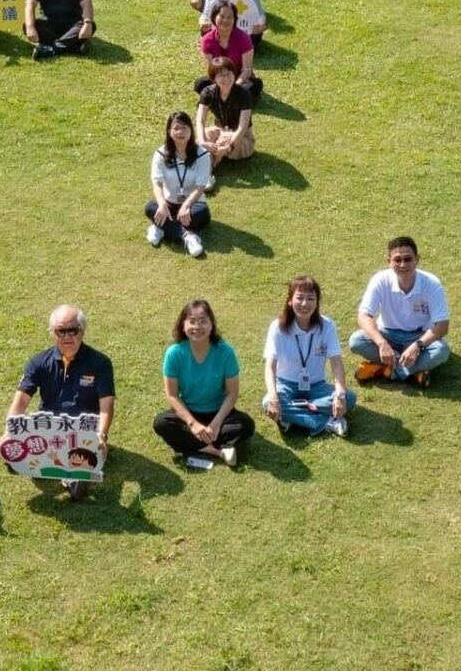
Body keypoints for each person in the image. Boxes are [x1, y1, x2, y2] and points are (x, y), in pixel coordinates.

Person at [0, 304, 117, 501]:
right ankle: (66, 472)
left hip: (83, 431)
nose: (67, 336)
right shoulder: (38, 362)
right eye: (61, 331)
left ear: (82, 331)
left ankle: (75, 474)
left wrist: (101, 435)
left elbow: (106, 406)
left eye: (73, 330)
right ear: (53, 333)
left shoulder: (100, 363)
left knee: (87, 450)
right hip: (49, 429)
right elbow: (20, 402)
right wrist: (6, 434)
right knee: (11, 447)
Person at [154, 299, 253, 467]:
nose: (197, 327)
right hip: (189, 413)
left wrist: (216, 424)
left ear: (211, 325)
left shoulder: (225, 351)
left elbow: (232, 393)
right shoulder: (174, 353)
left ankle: (193, 445)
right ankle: (217, 450)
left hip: (219, 413)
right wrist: (192, 424)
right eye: (192, 321)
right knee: (162, 423)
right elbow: (172, 395)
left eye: (203, 321)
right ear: (183, 326)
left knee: (246, 424)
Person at [349, 236, 451, 385]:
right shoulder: (380, 280)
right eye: (397, 260)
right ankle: (415, 372)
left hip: (419, 337)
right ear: (388, 262)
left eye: (408, 259)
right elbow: (363, 316)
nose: (403, 264)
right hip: (387, 334)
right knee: (356, 341)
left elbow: (442, 326)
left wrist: (417, 345)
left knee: (441, 351)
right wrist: (382, 343)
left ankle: (386, 370)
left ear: (417, 259)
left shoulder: (432, 284)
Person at [262, 277, 354, 437]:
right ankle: (326, 422)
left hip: (316, 386)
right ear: (290, 301)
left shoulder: (327, 326)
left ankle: (290, 416)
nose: (305, 304)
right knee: (267, 402)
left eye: (311, 298)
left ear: (317, 302)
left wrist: (339, 395)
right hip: (285, 385)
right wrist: (273, 397)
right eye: (299, 298)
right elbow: (270, 366)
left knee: (349, 397)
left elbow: (337, 364)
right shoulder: (277, 327)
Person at [146, 111, 212, 258]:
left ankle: (161, 227)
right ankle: (187, 235)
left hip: (193, 205)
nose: (180, 132)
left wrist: (187, 205)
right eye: (176, 128)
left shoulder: (202, 155)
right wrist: (162, 203)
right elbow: (157, 183)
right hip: (170, 204)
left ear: (191, 130)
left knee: (200, 214)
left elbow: (200, 186)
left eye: (184, 128)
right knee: (150, 208)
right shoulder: (161, 154)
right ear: (169, 132)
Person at [197, 57, 255, 165]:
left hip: (241, 136)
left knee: (223, 140)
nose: (226, 78)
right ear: (214, 78)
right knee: (205, 134)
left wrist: (228, 148)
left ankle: (209, 164)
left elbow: (243, 126)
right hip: (220, 129)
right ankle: (206, 163)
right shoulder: (208, 92)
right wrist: (202, 142)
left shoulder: (244, 94)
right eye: (221, 75)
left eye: (229, 73)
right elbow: (200, 120)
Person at [196, 2, 259, 96]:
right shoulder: (207, 40)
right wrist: (222, 85)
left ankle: (229, 95)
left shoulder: (244, 38)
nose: (225, 20)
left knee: (256, 85)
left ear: (234, 20)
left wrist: (234, 86)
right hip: (218, 79)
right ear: (214, 17)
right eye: (222, 16)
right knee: (200, 84)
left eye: (230, 17)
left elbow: (247, 70)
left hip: (240, 79)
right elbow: (211, 71)